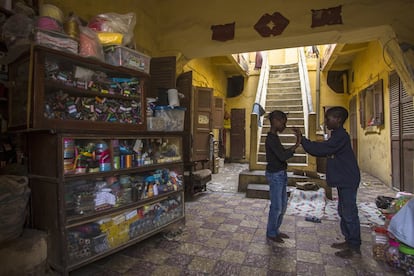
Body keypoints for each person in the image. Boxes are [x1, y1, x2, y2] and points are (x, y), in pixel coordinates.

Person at [293, 106, 361, 258]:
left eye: (328, 119)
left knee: (349, 213)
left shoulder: (340, 136)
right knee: (343, 211)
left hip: (348, 179)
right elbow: (323, 147)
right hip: (345, 179)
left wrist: (303, 140)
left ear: (337, 120)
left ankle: (354, 245)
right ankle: (349, 240)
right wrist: (305, 140)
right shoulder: (336, 135)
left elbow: (322, 149)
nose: (325, 122)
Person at [265, 110, 301, 243]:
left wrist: (296, 144)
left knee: (283, 205)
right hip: (275, 175)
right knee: (277, 206)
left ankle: (275, 230)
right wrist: (297, 143)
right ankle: (271, 232)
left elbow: (282, 154)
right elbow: (282, 156)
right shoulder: (271, 139)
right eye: (283, 122)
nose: (284, 126)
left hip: (280, 174)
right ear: (275, 121)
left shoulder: (275, 138)